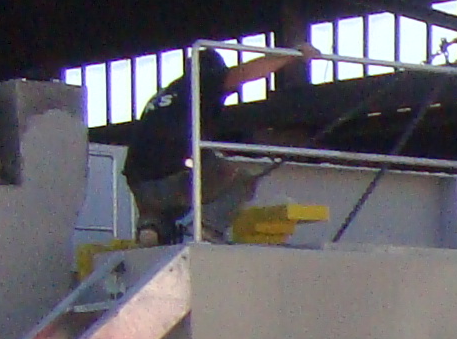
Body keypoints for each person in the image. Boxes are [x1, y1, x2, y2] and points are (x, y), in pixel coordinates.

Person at [119, 45, 314, 243]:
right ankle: (207, 227)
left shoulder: (170, 94)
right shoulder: (203, 81)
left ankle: (151, 226)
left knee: (173, 204)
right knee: (241, 181)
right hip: (174, 171)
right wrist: (292, 55)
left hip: (139, 181)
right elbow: (245, 73)